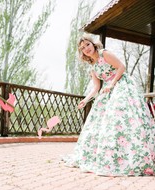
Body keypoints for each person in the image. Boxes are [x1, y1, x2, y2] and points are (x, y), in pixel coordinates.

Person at [62, 35, 155, 176]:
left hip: (121, 86)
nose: (86, 49)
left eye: (87, 44)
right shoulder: (92, 68)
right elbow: (95, 88)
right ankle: (112, 154)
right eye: (82, 48)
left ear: (93, 44)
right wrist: (85, 100)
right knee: (105, 123)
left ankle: (133, 153)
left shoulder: (104, 53)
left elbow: (121, 67)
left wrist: (112, 84)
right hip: (107, 90)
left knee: (122, 117)